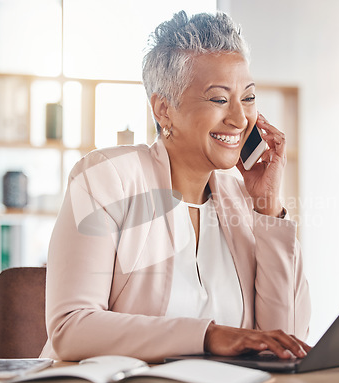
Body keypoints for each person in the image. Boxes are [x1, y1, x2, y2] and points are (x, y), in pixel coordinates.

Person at [40, 11, 311, 363]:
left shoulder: (244, 203)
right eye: (218, 99)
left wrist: (268, 208)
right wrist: (208, 336)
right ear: (164, 109)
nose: (240, 118)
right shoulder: (107, 178)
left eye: (247, 98)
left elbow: (285, 340)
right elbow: (70, 328)